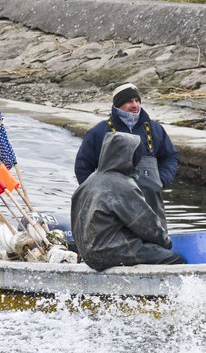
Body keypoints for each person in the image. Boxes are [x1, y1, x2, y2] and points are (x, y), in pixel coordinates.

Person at [71, 132, 185, 270]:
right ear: (128, 157)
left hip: (88, 254)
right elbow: (147, 226)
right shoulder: (123, 185)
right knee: (175, 259)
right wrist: (165, 243)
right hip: (111, 251)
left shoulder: (89, 181)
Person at [74, 82, 178, 227]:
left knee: (157, 242)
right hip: (113, 209)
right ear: (118, 104)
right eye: (129, 101)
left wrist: (161, 180)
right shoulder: (98, 132)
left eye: (137, 101)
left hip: (151, 207)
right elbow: (82, 167)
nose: (135, 105)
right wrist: (97, 195)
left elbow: (170, 157)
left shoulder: (155, 129)